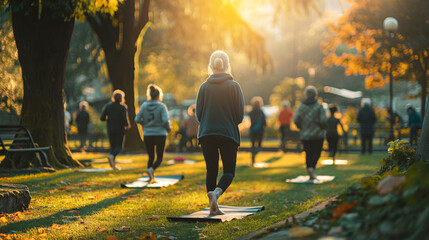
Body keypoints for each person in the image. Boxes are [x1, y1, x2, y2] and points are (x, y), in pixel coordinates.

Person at [196, 50, 244, 215]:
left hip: (207, 133)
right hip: (227, 134)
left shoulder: (204, 87)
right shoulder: (234, 86)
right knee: (229, 171)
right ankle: (216, 193)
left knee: (211, 170)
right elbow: (239, 116)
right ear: (227, 65)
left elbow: (198, 115)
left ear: (210, 66)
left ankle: (212, 203)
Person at [135, 84, 171, 182]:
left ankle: (150, 176)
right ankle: (151, 169)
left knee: (151, 156)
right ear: (159, 95)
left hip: (147, 134)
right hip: (160, 134)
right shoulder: (161, 106)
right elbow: (165, 121)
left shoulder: (144, 106)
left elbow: (137, 119)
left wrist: (145, 124)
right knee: (159, 157)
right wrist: (168, 128)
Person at [293, 86, 327, 180]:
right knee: (317, 152)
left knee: (308, 153)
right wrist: (323, 127)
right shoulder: (319, 106)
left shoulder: (302, 107)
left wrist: (301, 127)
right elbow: (323, 120)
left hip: (305, 134)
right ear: (315, 95)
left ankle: (309, 169)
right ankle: (312, 168)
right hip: (318, 134)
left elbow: (295, 119)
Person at [100, 90, 130, 170]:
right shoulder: (123, 107)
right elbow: (124, 119)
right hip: (120, 129)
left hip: (110, 128)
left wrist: (109, 119)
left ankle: (113, 165)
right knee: (119, 147)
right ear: (121, 99)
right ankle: (111, 157)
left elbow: (102, 118)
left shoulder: (108, 106)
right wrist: (127, 125)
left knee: (113, 146)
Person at [248, 96, 266, 166]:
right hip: (260, 130)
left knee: (252, 145)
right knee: (259, 145)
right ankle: (255, 155)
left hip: (252, 130)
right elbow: (264, 122)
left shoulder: (251, 112)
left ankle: (253, 158)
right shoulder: (261, 111)